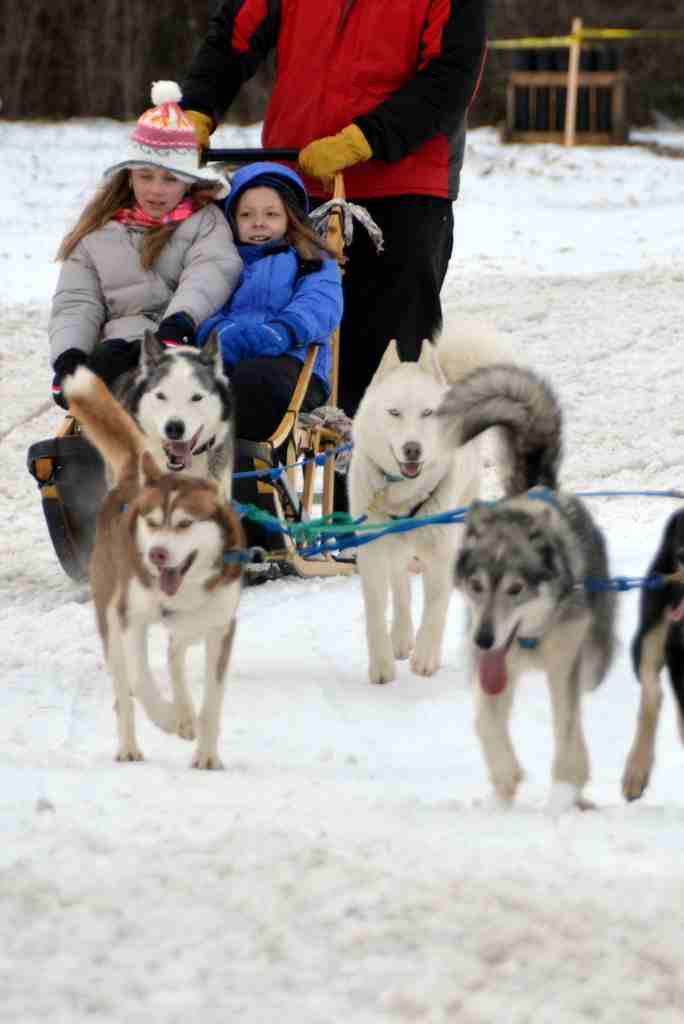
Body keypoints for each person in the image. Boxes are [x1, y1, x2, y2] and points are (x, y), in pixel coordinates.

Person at [180, 0, 488, 442]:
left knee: (388, 368)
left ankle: (382, 503)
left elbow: (452, 76)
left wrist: (367, 138)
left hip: (403, 191)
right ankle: (267, 488)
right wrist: (197, 106)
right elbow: (235, 36)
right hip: (298, 187)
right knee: (281, 354)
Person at [49, 81, 242, 406]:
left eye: (170, 179)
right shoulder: (97, 230)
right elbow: (77, 300)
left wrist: (180, 321)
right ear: (129, 176)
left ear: (189, 181)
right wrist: (70, 355)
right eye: (145, 176)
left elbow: (211, 271)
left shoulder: (204, 222)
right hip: (118, 345)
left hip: (179, 343)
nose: (156, 190)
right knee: (108, 364)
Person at [197, 160, 343, 565]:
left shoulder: (312, 259)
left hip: (293, 368)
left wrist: (285, 329)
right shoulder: (223, 264)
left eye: (270, 214)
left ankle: (252, 517)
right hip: (228, 364)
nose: (258, 223)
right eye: (246, 214)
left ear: (290, 217)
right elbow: (203, 308)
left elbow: (322, 306)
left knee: (250, 383)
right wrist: (219, 333)